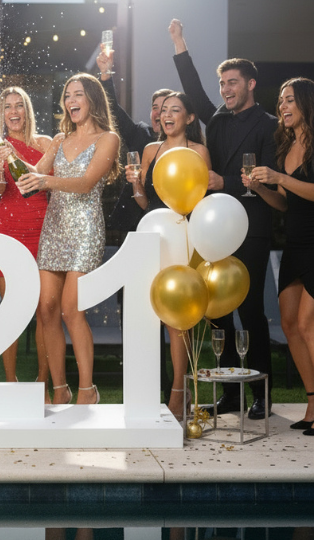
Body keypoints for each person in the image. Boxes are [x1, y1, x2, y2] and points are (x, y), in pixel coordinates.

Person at [171, 19, 278, 419]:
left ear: (250, 84)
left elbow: (267, 178)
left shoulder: (268, 127)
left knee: (250, 311)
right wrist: (180, 43)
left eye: (232, 82)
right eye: (222, 84)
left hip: (251, 228)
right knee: (217, 313)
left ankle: (261, 396)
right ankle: (230, 393)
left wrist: (225, 181)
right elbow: (194, 89)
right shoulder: (215, 120)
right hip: (214, 231)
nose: (225, 90)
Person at [17, 73, 121, 405]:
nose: (71, 101)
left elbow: (87, 183)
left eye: (78, 94)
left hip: (85, 228)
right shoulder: (60, 140)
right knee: (46, 309)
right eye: (67, 95)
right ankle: (59, 389)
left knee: (70, 310)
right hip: (55, 227)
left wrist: (45, 181)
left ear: (92, 99)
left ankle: (88, 390)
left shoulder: (108, 139)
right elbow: (32, 174)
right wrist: (6, 157)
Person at [124, 91, 211, 418]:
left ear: (189, 118)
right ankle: (148, 394)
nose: (167, 115)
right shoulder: (150, 150)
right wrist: (135, 184)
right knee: (149, 315)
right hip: (152, 235)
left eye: (176, 110)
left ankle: (179, 390)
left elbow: (200, 203)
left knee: (178, 321)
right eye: (164, 111)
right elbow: (145, 202)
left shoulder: (198, 151)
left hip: (183, 237)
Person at [244, 78, 314, 434]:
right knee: (289, 324)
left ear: (305, 103)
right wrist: (261, 188)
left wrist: (279, 178)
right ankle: (312, 402)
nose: (283, 107)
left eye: (289, 100)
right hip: (296, 243)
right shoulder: (285, 148)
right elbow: (285, 204)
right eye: (281, 101)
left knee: (307, 324)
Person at [0, 87, 52, 391]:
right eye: (7, 107)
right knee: (11, 308)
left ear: (27, 110)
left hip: (43, 227)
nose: (13, 112)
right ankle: (11, 383)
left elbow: (50, 187)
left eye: (19, 106)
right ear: (2, 113)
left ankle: (43, 381)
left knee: (45, 310)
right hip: (9, 228)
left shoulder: (46, 143)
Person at [96, 45, 174, 230]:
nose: (158, 113)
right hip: (133, 220)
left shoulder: (185, 145)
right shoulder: (140, 133)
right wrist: (106, 74)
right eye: (155, 107)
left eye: (164, 108)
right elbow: (112, 109)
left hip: (170, 219)